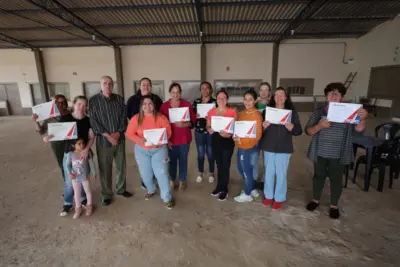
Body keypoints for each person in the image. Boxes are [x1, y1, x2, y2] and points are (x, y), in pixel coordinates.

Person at [305, 82, 368, 219]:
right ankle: (315, 199)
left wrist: (362, 119)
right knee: (318, 177)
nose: (334, 96)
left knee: (336, 179)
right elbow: (308, 131)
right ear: (326, 96)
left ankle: (334, 205)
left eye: (337, 93)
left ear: (342, 97)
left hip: (338, 154)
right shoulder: (319, 112)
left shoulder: (349, 112)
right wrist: (319, 126)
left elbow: (359, 129)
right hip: (320, 152)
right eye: (330, 93)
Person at [43, 95, 95, 216]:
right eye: (79, 104)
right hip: (69, 155)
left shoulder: (88, 120)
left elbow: (91, 137)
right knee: (69, 181)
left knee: (82, 178)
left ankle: (83, 200)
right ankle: (67, 203)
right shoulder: (65, 118)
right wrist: (47, 138)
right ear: (74, 105)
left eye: (84, 105)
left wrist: (86, 149)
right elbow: (56, 134)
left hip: (83, 155)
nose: (81, 107)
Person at [125, 95, 174, 209]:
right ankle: (151, 189)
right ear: (141, 106)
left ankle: (166, 197)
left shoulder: (161, 118)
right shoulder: (136, 119)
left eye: (150, 103)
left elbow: (168, 133)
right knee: (145, 174)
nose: (147, 106)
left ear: (154, 106)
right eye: (145, 104)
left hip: (159, 149)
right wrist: (139, 139)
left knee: (162, 173)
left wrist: (161, 142)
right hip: (142, 150)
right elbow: (129, 133)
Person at [89, 76, 131, 206]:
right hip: (103, 141)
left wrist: (118, 133)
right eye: (105, 83)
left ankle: (121, 189)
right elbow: (93, 121)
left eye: (110, 83)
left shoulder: (119, 99)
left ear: (113, 85)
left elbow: (124, 117)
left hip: (119, 140)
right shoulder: (94, 101)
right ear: (100, 85)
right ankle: (106, 194)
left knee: (121, 166)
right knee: (104, 168)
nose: (107, 86)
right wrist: (108, 136)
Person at [260, 87, 302, 210]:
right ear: (273, 98)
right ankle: (268, 196)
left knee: (281, 173)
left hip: (284, 148)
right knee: (268, 172)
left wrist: (292, 128)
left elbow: (299, 130)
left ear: (286, 97)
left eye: (282, 94)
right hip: (268, 146)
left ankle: (278, 198)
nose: (279, 97)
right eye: (276, 95)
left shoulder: (291, 113)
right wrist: (263, 126)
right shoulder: (267, 112)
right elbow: (258, 130)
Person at [126, 77, 163, 189]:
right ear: (140, 86)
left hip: (154, 134)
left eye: (148, 85)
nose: (146, 87)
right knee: (144, 161)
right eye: (143, 85)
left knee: (155, 159)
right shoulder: (132, 100)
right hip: (140, 135)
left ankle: (155, 179)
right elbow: (128, 114)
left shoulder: (157, 99)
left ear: (151, 87)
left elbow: (161, 115)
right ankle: (145, 181)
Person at [160, 83, 196, 191]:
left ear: (180, 93)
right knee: (171, 161)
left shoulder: (187, 104)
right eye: (173, 92)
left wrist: (185, 124)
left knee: (183, 160)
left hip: (184, 139)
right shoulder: (164, 106)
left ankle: (182, 180)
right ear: (170, 93)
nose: (176, 94)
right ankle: (172, 180)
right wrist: (165, 140)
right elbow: (161, 125)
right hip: (171, 139)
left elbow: (193, 121)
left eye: (178, 92)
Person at [206, 90, 237, 201]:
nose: (221, 100)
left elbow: (236, 127)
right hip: (216, 140)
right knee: (219, 165)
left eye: (224, 98)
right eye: (219, 98)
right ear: (216, 99)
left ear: (227, 99)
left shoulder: (232, 111)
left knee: (225, 165)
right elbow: (208, 126)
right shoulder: (211, 112)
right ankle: (219, 187)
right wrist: (209, 129)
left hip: (227, 141)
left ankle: (224, 189)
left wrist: (230, 134)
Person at [233, 89, 263, 202]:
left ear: (255, 100)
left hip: (249, 148)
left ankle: (247, 194)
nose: (247, 102)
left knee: (247, 170)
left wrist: (247, 145)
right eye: (245, 99)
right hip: (241, 147)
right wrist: (235, 137)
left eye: (250, 99)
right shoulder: (241, 114)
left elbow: (258, 135)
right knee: (241, 169)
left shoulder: (257, 115)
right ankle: (252, 187)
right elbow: (236, 129)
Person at [33, 94, 69, 182]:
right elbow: (41, 131)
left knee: (74, 164)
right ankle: (68, 186)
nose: (61, 105)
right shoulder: (49, 118)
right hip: (56, 144)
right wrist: (35, 121)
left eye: (63, 102)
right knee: (62, 165)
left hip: (70, 142)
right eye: (58, 102)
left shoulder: (70, 114)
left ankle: (78, 189)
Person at [192, 81, 216, 184]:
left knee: (211, 153)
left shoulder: (215, 102)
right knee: (200, 154)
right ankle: (201, 172)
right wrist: (195, 116)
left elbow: (219, 116)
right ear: (200, 90)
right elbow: (191, 116)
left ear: (210, 90)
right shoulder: (196, 101)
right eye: (203, 88)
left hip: (211, 131)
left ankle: (211, 172)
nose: (205, 90)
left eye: (207, 88)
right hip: (199, 131)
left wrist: (211, 117)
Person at [66, 138, 96, 219]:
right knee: (76, 193)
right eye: (79, 144)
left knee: (88, 190)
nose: (82, 145)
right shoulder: (70, 154)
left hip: (85, 176)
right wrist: (70, 173)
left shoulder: (87, 152)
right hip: (75, 178)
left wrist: (94, 173)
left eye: (82, 143)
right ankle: (78, 209)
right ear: (73, 145)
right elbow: (68, 165)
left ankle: (89, 206)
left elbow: (91, 163)